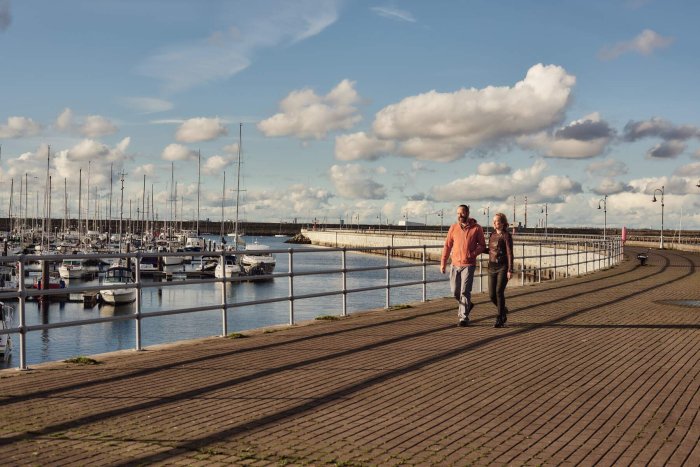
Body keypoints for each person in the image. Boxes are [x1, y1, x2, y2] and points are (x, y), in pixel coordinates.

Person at [440, 204, 486, 327]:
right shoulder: (453, 228)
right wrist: (443, 263)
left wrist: (473, 254)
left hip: (468, 264)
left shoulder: (477, 228)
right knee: (455, 291)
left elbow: (482, 245)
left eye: (462, 213)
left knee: (465, 291)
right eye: (458, 213)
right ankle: (468, 305)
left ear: (467, 213)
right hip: (455, 264)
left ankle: (463, 318)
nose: (459, 215)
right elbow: (447, 246)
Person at [488, 213, 514, 328]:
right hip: (491, 267)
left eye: (497, 221)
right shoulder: (492, 235)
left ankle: (500, 318)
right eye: (493, 221)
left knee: (499, 292)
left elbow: (509, 253)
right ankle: (503, 309)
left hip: (502, 267)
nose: (494, 223)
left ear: (502, 223)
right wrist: (475, 249)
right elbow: (490, 250)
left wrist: (510, 269)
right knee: (491, 295)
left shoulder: (506, 236)